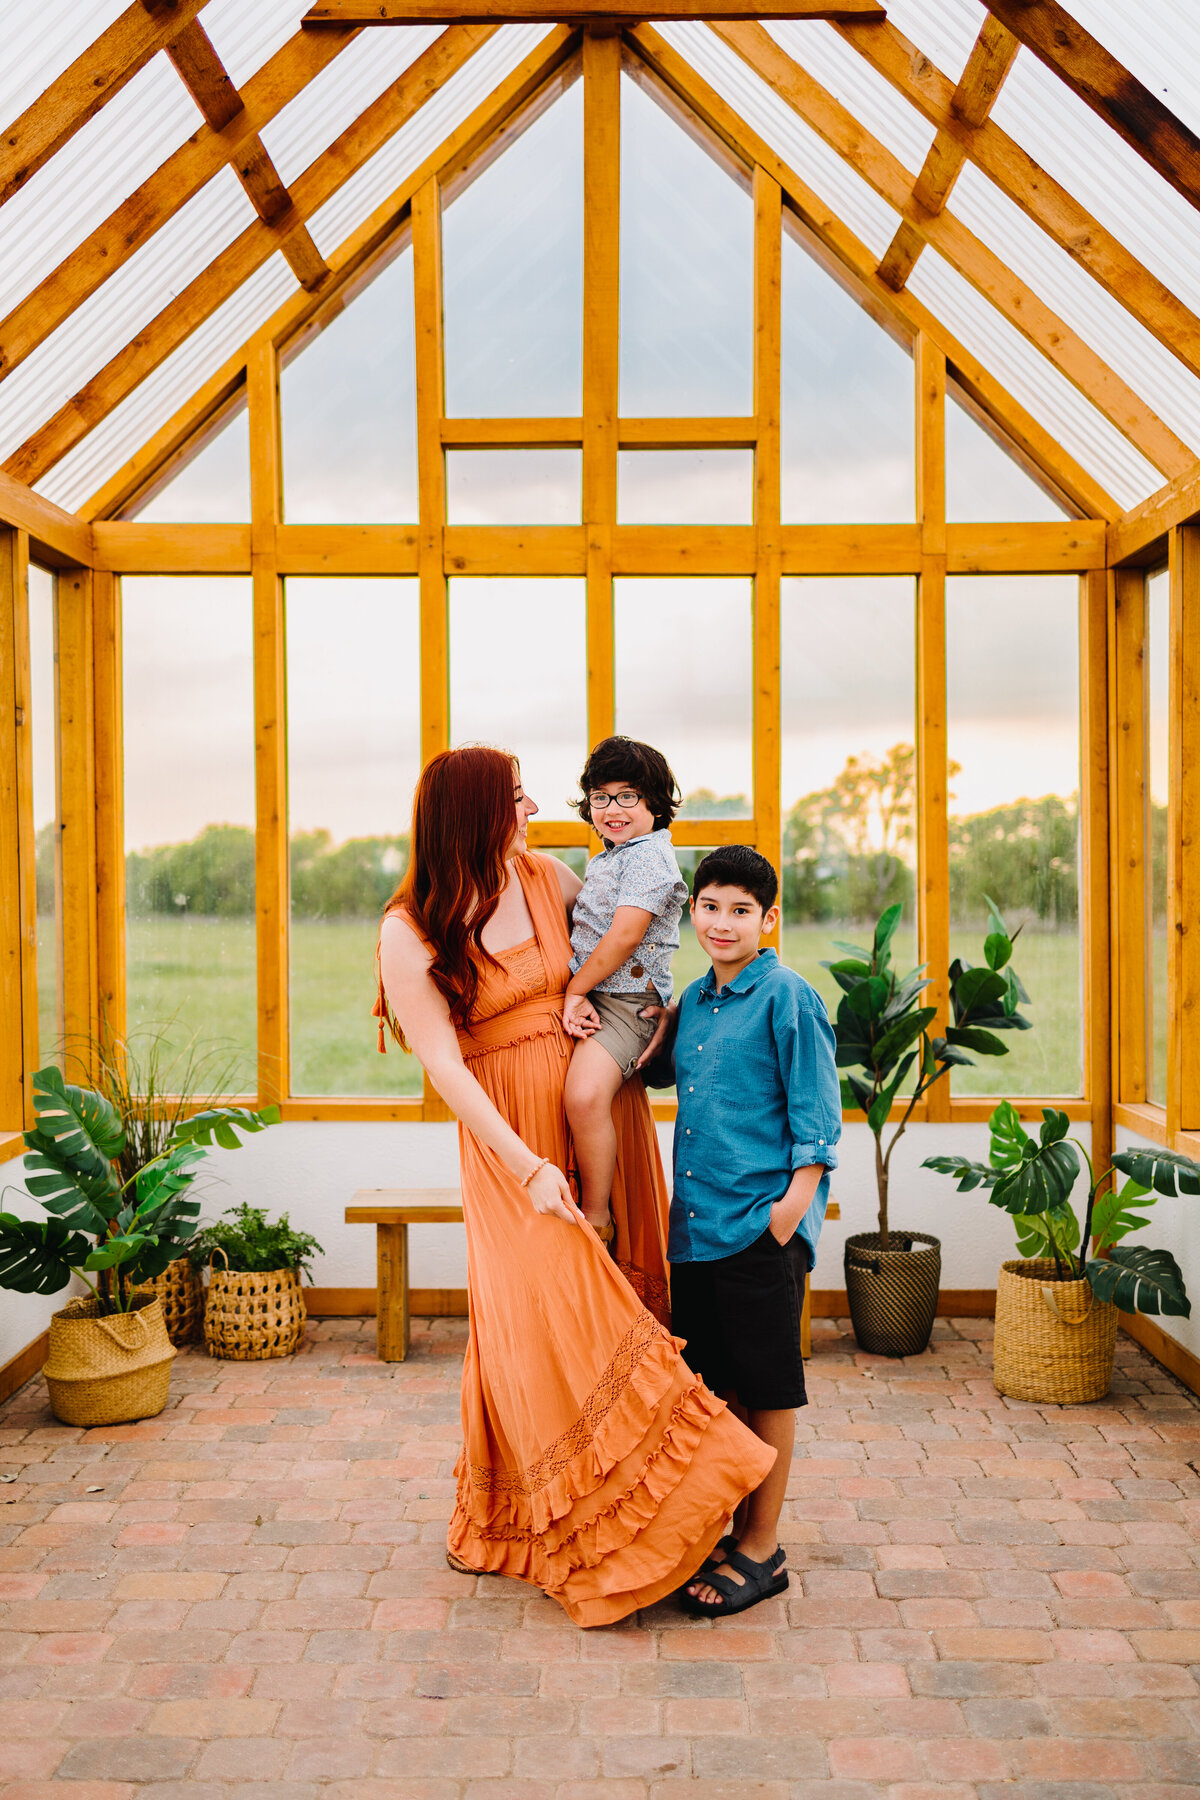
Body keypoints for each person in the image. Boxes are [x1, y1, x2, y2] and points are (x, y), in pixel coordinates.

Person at [374, 747, 775, 1628]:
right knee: (537, 1317)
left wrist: (669, 1013)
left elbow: (634, 936)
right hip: (511, 1143)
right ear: (472, 814)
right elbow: (443, 1063)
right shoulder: (410, 927)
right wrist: (525, 1164)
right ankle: (529, 1516)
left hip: (596, 1112)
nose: (532, 810)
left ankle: (676, 1518)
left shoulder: (548, 876)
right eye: (515, 799)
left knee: (620, 1296)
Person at [667, 845, 842, 1619]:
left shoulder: (788, 997)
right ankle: (722, 1531)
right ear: (692, 912)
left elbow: (819, 1120)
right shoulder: (695, 1001)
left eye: (741, 910)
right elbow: (651, 1066)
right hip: (696, 1230)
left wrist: (788, 1215)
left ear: (769, 919)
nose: (723, 922)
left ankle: (762, 1548)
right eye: (710, 907)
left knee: (767, 1391)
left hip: (758, 1229)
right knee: (715, 1388)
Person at [561, 737, 688, 1244]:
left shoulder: (650, 858)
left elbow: (624, 935)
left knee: (585, 1096)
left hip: (628, 1004)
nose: (612, 809)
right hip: (602, 994)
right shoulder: (612, 856)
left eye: (628, 796)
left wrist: (574, 989)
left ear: (656, 802)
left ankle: (597, 1215)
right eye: (600, 797)